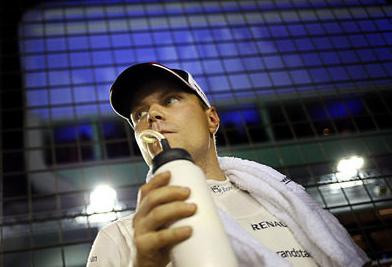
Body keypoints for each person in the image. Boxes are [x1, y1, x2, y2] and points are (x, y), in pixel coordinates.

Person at [87, 62, 370, 267]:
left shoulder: (290, 207)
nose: (152, 115)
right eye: (139, 114)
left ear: (212, 119)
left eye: (170, 99)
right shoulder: (121, 238)